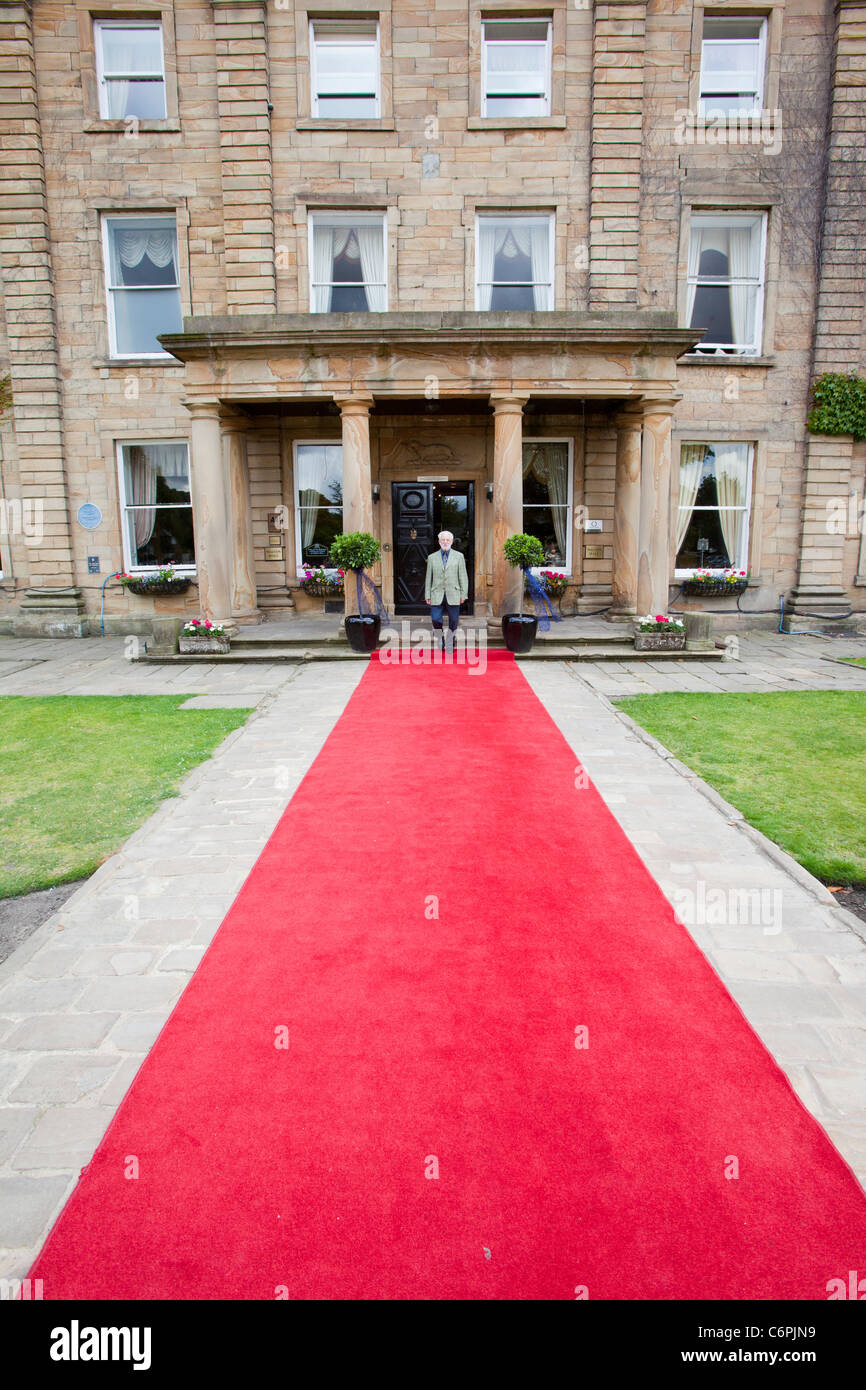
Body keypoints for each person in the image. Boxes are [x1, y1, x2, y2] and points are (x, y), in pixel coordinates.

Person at [424, 530, 469, 650]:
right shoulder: (432, 558)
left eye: (447, 540)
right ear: (439, 541)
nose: (445, 542)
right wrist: (427, 594)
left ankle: (450, 641)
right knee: (435, 619)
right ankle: (440, 638)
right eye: (443, 540)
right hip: (436, 593)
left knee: (454, 620)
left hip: (454, 593)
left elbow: (463, 576)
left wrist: (463, 594)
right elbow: (428, 578)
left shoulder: (459, 556)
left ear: (451, 541)